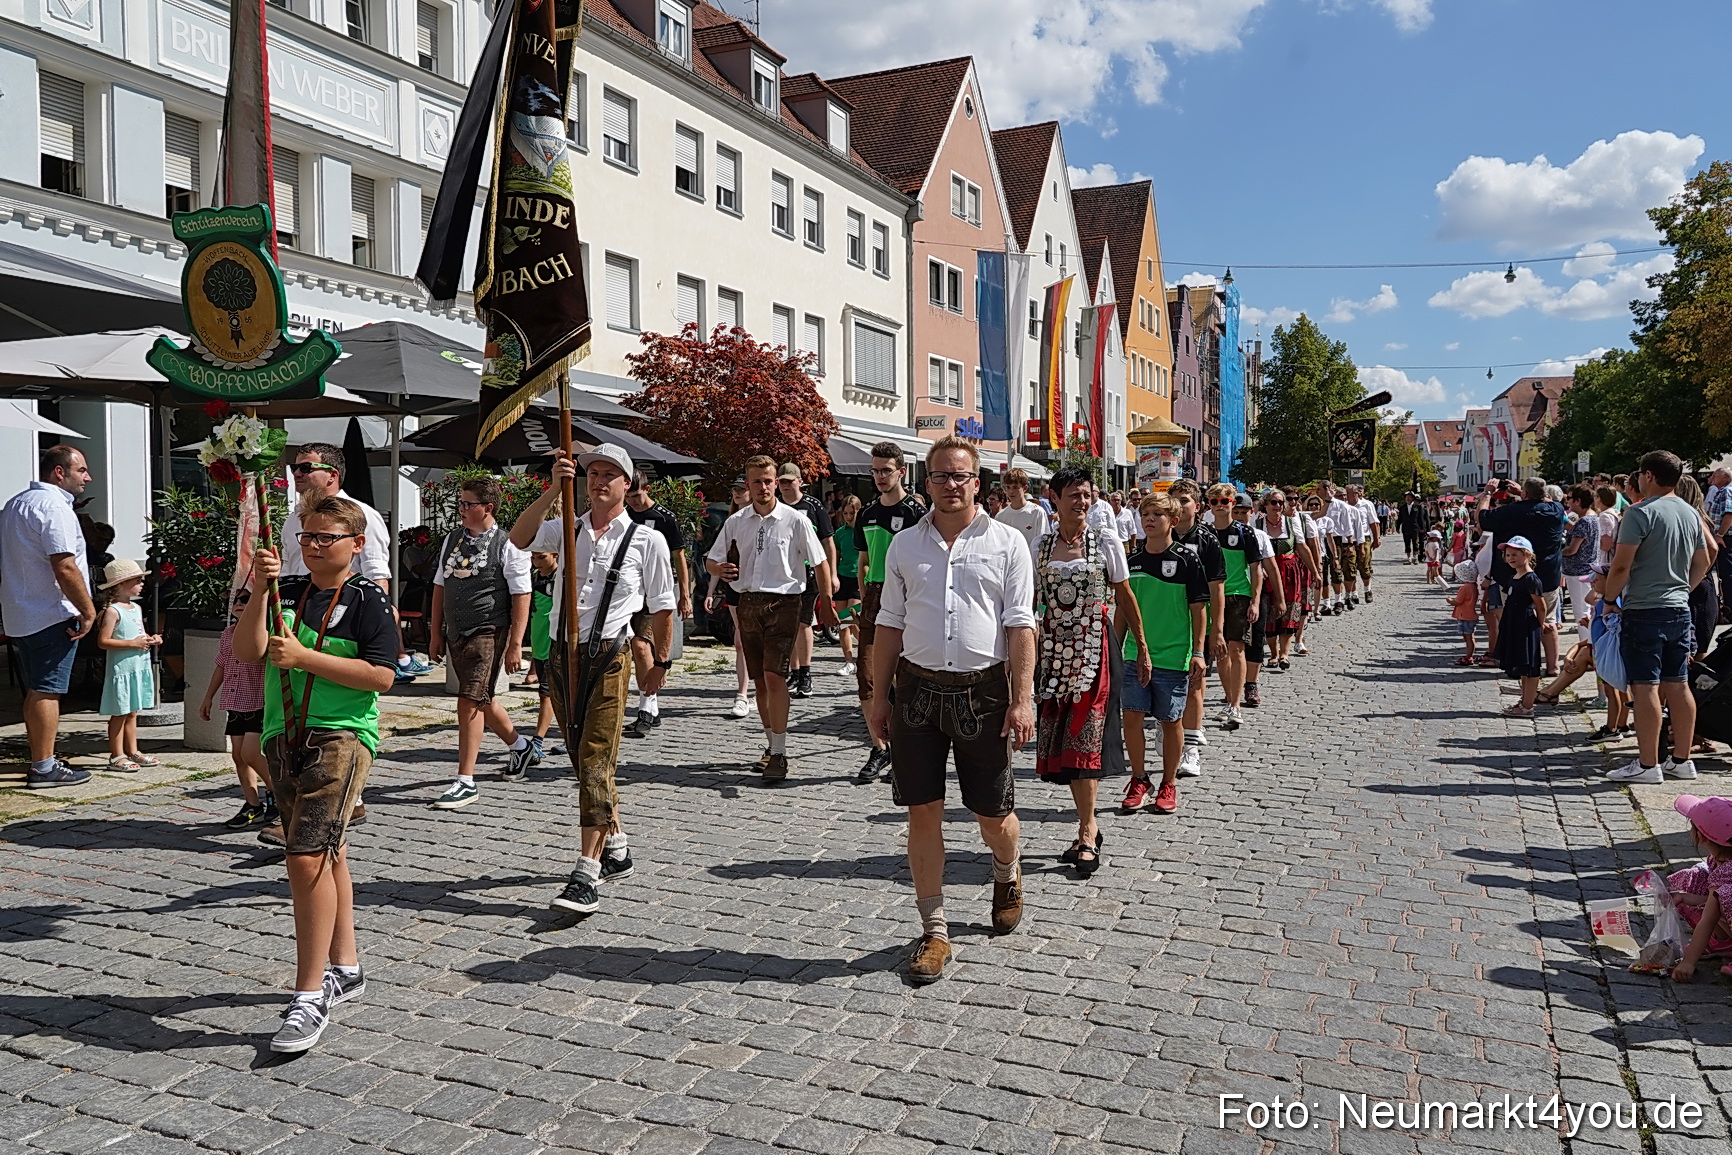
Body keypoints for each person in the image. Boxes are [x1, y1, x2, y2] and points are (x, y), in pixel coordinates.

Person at [867, 436, 1035, 983]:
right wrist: (876, 695)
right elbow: (888, 625)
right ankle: (935, 930)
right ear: (927, 481)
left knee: (993, 818)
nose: (950, 484)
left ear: (976, 481)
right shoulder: (904, 546)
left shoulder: (1007, 542)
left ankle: (1006, 870)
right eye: (940, 475)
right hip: (916, 692)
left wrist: (1023, 697)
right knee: (923, 813)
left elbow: (1020, 626)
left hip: (982, 692)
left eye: (960, 475)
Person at [236, 496, 399, 1053]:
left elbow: (381, 676)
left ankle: (310, 994)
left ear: (356, 544)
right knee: (332, 852)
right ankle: (346, 965)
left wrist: (306, 658)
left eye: (325, 537)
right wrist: (259, 591)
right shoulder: (285, 593)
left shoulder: (367, 599)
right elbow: (247, 650)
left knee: (305, 855)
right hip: (284, 735)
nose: (311, 545)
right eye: (306, 536)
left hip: (341, 736)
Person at [509, 443, 677, 913]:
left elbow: (662, 607)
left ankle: (586, 872)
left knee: (596, 760)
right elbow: (518, 539)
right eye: (592, 473)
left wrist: (658, 663)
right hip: (563, 655)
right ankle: (616, 843)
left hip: (609, 655)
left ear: (628, 484)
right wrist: (550, 489)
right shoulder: (567, 529)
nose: (598, 481)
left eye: (609, 474)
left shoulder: (648, 539)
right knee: (585, 756)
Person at [1031, 467, 1145, 874]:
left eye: (1087, 494)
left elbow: (1126, 596)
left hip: (1095, 649)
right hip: (1053, 652)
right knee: (1066, 739)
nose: (1082, 501)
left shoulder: (1105, 542)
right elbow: (1028, 601)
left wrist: (1141, 647)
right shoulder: (1041, 546)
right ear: (1055, 498)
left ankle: (1086, 829)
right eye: (1074, 494)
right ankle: (1087, 825)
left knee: (1087, 734)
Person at [707, 456, 839, 784]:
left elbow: (820, 562)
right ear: (748, 485)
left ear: (776, 481)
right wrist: (718, 570)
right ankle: (771, 744)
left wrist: (826, 604)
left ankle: (779, 752)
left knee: (775, 675)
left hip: (785, 603)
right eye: (757, 482)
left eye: (769, 481)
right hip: (748, 603)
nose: (764, 487)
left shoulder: (795, 520)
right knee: (761, 682)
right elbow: (712, 558)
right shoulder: (736, 522)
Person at [1603, 451, 1712, 784]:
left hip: (1645, 608)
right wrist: (1683, 589)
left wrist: (1609, 599)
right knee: (1678, 684)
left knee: (1645, 686)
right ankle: (1682, 760)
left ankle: (1648, 764)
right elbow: (1705, 559)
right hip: (1678, 608)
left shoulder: (1639, 513)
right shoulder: (1690, 512)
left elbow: (1621, 565)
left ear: (1648, 475)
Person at [427, 479, 535, 810]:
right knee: (482, 700)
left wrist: (516, 643)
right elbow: (439, 586)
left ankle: (465, 781)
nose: (460, 509)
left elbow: (521, 595)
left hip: (489, 629)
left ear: (487, 508)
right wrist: (435, 632)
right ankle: (520, 746)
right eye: (459, 503)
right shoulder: (452, 540)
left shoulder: (508, 544)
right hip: (457, 630)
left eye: (466, 504)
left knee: (468, 700)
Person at [280, 443, 425, 683]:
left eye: (305, 468)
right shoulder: (293, 519)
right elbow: (288, 570)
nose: (296, 474)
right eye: (295, 467)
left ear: (332, 475)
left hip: (342, 619)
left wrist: (379, 618)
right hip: (298, 615)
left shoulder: (364, 515)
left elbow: (377, 573)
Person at [0, 446, 97, 788]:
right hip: (50, 611)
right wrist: (88, 609)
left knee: (37, 688)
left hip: (22, 608)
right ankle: (43, 767)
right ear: (59, 472)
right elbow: (64, 563)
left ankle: (42, 759)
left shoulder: (15, 503)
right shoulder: (53, 505)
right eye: (81, 470)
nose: (87, 477)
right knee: (47, 690)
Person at [1118, 492, 1209, 815]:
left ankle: (1168, 782)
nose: (1150, 520)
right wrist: (1116, 650)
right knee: (1131, 716)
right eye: (1145, 514)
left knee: (1171, 720)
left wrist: (1198, 651)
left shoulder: (1187, 559)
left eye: (1157, 514)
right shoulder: (1131, 562)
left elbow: (1199, 609)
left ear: (1172, 520)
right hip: (1134, 653)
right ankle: (1139, 778)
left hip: (1173, 654)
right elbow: (1122, 610)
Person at [852, 443, 927, 785]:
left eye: (886, 470)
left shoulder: (915, 511)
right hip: (874, 598)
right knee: (867, 678)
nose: (880, 477)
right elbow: (864, 559)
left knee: (904, 678)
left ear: (901, 472)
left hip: (907, 598)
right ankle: (880, 747)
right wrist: (863, 593)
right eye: (875, 470)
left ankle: (905, 751)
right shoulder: (866, 513)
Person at [624, 472, 692, 737]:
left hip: (655, 594)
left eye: (638, 496)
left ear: (647, 490)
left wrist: (684, 594)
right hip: (627, 592)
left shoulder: (664, 518)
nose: (634, 503)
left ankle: (646, 705)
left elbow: (680, 556)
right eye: (629, 497)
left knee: (641, 646)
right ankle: (651, 708)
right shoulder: (622, 516)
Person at [1477, 477, 1567, 676]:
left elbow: (1482, 518)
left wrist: (1488, 493)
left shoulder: (1509, 512)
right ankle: (1553, 666)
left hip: (1515, 576)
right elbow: (1547, 501)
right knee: (1549, 621)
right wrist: (1524, 494)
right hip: (1548, 576)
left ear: (1525, 493)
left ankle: (1519, 664)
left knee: (1516, 620)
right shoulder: (1556, 510)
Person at [202, 587, 274, 829]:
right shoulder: (227, 634)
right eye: (235, 600)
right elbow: (221, 666)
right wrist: (208, 696)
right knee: (238, 756)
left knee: (251, 753)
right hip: (236, 701)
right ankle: (253, 805)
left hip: (258, 700)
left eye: (247, 599)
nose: (239, 604)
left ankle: (278, 795)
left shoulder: (263, 632)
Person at [1167, 479, 1224, 779]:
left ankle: (1191, 744)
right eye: (1174, 499)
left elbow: (1217, 588)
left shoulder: (1207, 540)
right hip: (1166, 622)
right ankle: (1171, 729)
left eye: (1185, 500)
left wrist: (1217, 630)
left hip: (1197, 621)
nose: (1179, 505)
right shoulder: (1159, 536)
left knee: (1194, 682)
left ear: (1198, 506)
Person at [1207, 485, 1269, 729]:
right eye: (1215, 501)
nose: (1220, 505)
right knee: (1220, 651)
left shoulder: (1245, 533)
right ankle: (1228, 697)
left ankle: (1235, 705)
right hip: (1213, 596)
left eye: (1225, 500)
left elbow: (1256, 570)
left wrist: (1255, 601)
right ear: (1208, 504)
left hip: (1239, 595)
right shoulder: (1205, 533)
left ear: (1233, 503)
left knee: (1237, 649)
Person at [94, 559, 163, 773]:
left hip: (137, 665)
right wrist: (132, 643)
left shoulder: (136, 607)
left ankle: (133, 750)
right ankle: (116, 755)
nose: (142, 583)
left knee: (133, 711)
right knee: (120, 712)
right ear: (122, 584)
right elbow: (103, 641)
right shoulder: (113, 611)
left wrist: (150, 639)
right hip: (122, 668)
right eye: (137, 580)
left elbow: (137, 633)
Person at [775, 463, 836, 700]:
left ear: (800, 482)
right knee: (787, 626)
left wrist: (831, 575)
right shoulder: (776, 508)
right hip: (783, 575)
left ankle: (806, 674)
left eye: (790, 481)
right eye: (782, 481)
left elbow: (827, 541)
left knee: (803, 623)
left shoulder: (812, 506)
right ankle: (794, 670)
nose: (786, 486)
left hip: (809, 573)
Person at [703, 479, 754, 718]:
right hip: (735, 586)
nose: (737, 494)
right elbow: (717, 560)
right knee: (740, 641)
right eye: (734, 490)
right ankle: (742, 694)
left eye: (741, 490)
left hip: (762, 589)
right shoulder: (729, 523)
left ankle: (764, 687)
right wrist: (711, 592)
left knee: (759, 641)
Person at [1668, 795, 1732, 984]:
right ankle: (1722, 942)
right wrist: (1685, 897)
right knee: (1698, 876)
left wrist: (1688, 962)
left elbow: (1709, 918)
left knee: (1726, 895)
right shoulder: (1720, 862)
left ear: (1701, 836)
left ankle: (1719, 941)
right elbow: (1711, 902)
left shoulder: (1726, 873)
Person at [1235, 494, 1284, 708]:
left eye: (1243, 512)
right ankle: (1233, 686)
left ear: (1251, 513)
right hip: (1232, 593)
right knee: (1233, 643)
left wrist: (1280, 599)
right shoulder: (1219, 535)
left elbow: (1271, 568)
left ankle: (1251, 684)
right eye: (1235, 512)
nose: (1239, 517)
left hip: (1256, 592)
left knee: (1256, 638)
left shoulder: (1259, 536)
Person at [1252, 490, 1308, 671]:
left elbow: (1302, 546)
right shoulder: (1257, 523)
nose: (1278, 506)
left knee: (1289, 611)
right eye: (1274, 502)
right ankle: (1274, 654)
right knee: (1268, 612)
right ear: (1266, 505)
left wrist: (1316, 570)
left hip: (1290, 573)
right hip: (1266, 572)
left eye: (1280, 503)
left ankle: (1285, 654)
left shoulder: (1292, 523)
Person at [1492, 537, 1546, 717]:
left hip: (1526, 624)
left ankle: (1528, 706)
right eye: (1508, 555)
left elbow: (1540, 605)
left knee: (1530, 668)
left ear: (1527, 555)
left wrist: (1540, 623)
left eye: (1515, 554)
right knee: (1523, 667)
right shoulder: (1514, 576)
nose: (1510, 558)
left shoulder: (1531, 579)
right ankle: (1524, 701)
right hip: (1514, 623)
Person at [1674, 476, 1723, 661]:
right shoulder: (1698, 516)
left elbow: (1712, 548)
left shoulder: (1693, 516)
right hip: (1699, 586)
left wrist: (1699, 574)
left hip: (1697, 589)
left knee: (1696, 651)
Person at [526, 550, 566, 761]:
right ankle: (571, 738)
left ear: (556, 555)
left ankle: (537, 741)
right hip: (539, 645)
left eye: (542, 557)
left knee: (546, 694)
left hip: (556, 645)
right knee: (559, 696)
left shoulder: (563, 579)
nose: (537, 562)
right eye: (533, 557)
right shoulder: (533, 578)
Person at [1560, 485, 1600, 643]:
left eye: (1569, 499)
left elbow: (1572, 550)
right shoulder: (1594, 517)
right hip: (1588, 569)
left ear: (1578, 501)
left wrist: (1557, 550)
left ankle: (1587, 646)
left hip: (1579, 572)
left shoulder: (1583, 522)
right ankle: (1589, 645)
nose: (1567, 502)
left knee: (1581, 612)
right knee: (1588, 610)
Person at [833, 495, 862, 678]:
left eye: (852, 513)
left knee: (852, 618)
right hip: (843, 577)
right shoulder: (840, 533)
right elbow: (835, 555)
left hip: (858, 579)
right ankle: (849, 661)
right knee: (843, 623)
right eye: (845, 513)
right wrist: (833, 576)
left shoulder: (864, 531)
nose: (849, 516)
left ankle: (869, 649)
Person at [1339, 484, 1381, 604]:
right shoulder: (1344, 506)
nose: (1346, 496)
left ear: (1356, 493)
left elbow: (1373, 523)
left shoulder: (1366, 504)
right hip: (1349, 539)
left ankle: (1368, 590)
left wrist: (1376, 538)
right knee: (1349, 566)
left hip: (1364, 537)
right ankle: (1354, 593)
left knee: (1364, 565)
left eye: (1348, 493)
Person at [995, 466, 1049, 559]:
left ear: (1025, 488)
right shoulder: (1000, 516)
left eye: (1015, 487)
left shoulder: (1037, 512)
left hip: (1032, 567)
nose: (1011, 491)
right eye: (1008, 487)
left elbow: (1043, 544)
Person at [1449, 561, 1480, 665]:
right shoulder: (1474, 586)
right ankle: (1469, 655)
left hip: (1465, 616)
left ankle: (1469, 656)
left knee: (1468, 637)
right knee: (1469, 636)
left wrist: (1449, 600)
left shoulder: (1465, 588)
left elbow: (1458, 601)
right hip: (1470, 615)